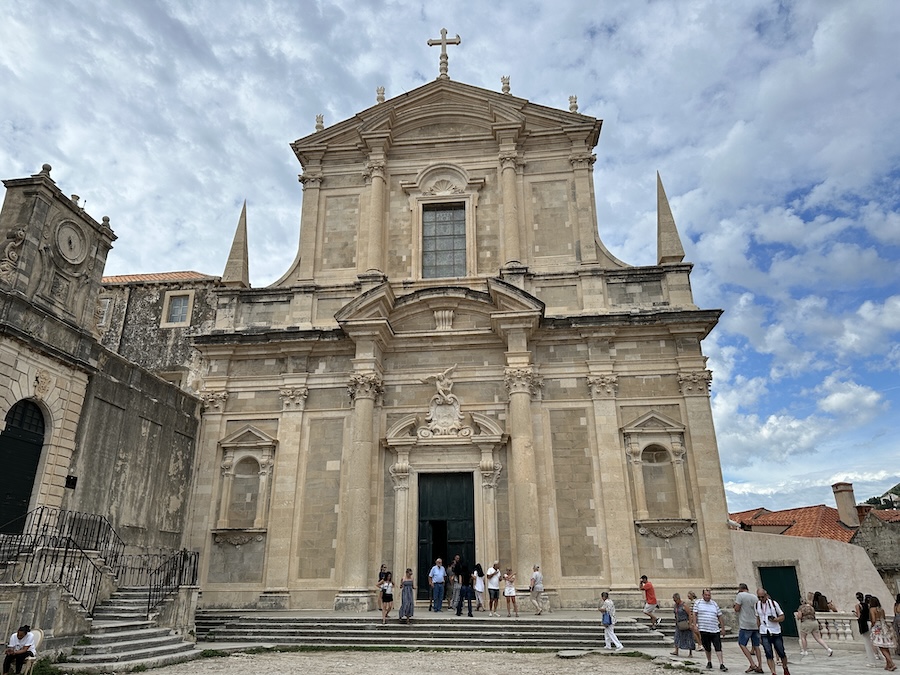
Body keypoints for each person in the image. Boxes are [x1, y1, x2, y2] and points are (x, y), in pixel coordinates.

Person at [756, 587, 789, 675]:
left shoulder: (773, 604)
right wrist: (758, 632)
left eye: (762, 597)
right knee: (768, 653)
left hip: (775, 631)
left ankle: (785, 667)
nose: (761, 599)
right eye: (759, 597)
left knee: (781, 652)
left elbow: (782, 616)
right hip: (764, 631)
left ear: (766, 595)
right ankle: (773, 672)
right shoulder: (757, 605)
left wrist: (775, 619)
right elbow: (758, 618)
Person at [694, 587, 728, 671]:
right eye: (706, 595)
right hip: (704, 628)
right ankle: (709, 661)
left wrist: (723, 628)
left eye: (709, 595)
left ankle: (721, 663)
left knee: (718, 647)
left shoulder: (714, 604)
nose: (708, 597)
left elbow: (719, 616)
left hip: (714, 629)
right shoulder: (698, 603)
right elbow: (694, 614)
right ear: (703, 595)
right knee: (707, 647)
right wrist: (695, 625)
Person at [734, 582, 764, 673]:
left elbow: (737, 609)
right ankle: (760, 665)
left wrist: (735, 606)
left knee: (742, 644)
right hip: (755, 624)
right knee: (756, 645)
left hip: (745, 624)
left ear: (740, 589)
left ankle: (752, 663)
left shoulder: (740, 596)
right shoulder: (754, 597)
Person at [869, 595, 897, 671]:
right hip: (884, 627)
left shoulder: (872, 609)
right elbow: (883, 618)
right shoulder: (881, 609)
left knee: (881, 646)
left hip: (877, 627)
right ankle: (888, 664)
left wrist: (872, 626)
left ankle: (891, 663)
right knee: (885, 646)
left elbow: (873, 620)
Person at [857, 591, 884, 666]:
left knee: (869, 643)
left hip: (868, 625)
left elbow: (861, 617)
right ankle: (883, 657)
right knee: (879, 642)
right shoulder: (878, 609)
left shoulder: (861, 606)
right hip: (878, 625)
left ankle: (872, 661)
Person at [671, 592, 695, 657]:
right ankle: (676, 650)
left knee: (688, 637)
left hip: (685, 622)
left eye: (676, 600)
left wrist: (690, 623)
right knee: (677, 637)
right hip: (679, 623)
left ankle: (690, 653)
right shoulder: (675, 606)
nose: (675, 601)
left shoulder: (684, 605)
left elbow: (689, 614)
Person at [894, 594, 900, 658]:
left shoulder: (895, 604)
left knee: (897, 635)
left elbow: (895, 612)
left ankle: (898, 650)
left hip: (896, 618)